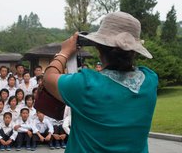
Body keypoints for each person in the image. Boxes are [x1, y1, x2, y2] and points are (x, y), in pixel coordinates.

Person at [43, 12, 158, 152]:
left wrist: (64, 52)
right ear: (134, 51)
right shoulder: (150, 81)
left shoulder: (85, 84)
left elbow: (48, 78)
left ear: (98, 48)